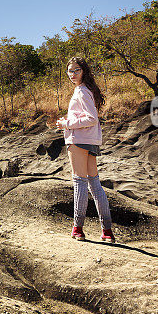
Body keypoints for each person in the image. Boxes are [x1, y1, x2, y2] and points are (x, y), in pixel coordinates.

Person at [55, 57, 115, 243]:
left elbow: (91, 118)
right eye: (70, 71)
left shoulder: (81, 91)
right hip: (91, 141)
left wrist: (66, 124)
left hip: (79, 140)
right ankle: (107, 231)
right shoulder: (89, 90)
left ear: (84, 71)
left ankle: (77, 229)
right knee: (95, 184)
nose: (72, 75)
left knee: (79, 182)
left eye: (76, 70)